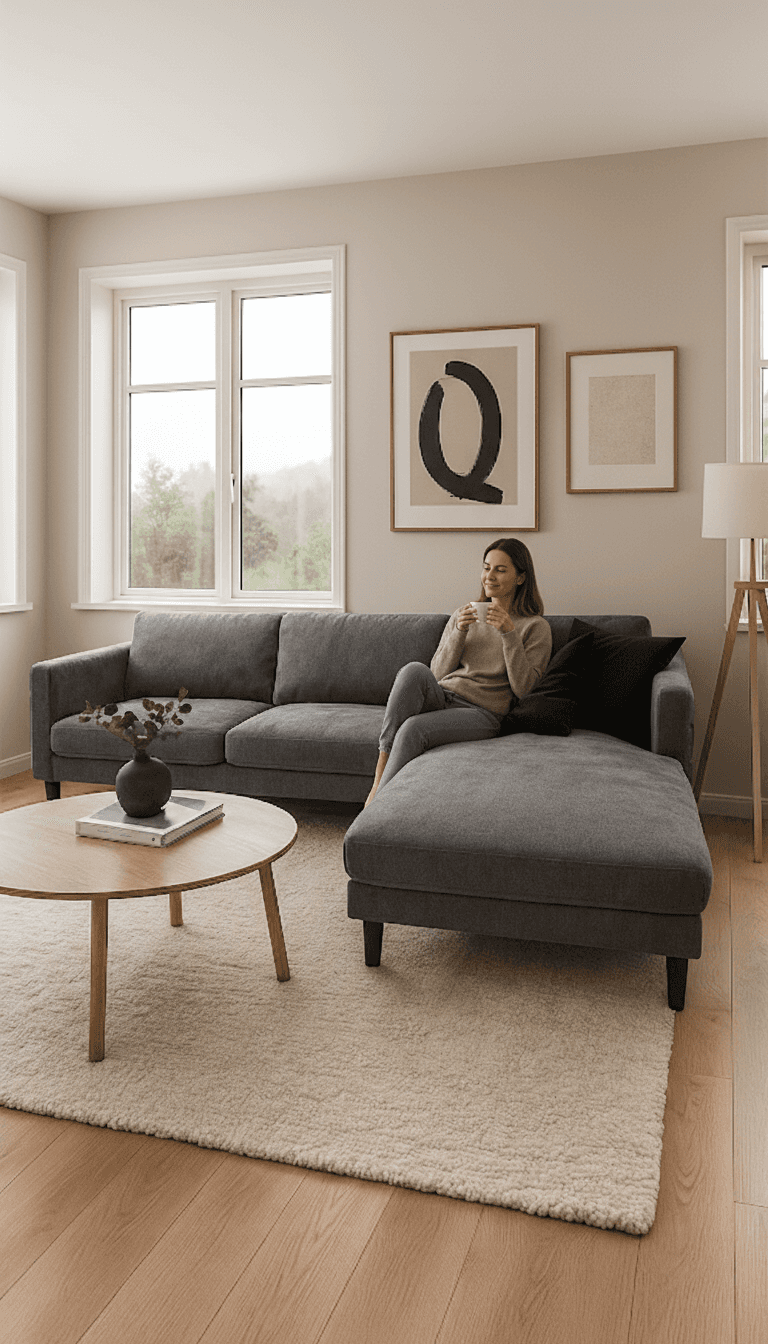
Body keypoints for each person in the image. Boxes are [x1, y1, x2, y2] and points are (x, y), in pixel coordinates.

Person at [365, 538, 552, 806]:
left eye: (500, 570)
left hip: (483, 713)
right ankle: (378, 778)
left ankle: (377, 806)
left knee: (413, 729)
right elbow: (436, 675)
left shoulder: (535, 627)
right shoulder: (464, 615)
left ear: (520, 578)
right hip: (444, 696)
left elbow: (525, 690)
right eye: (486, 568)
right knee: (413, 670)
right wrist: (459, 632)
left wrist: (509, 634)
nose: (490, 576)